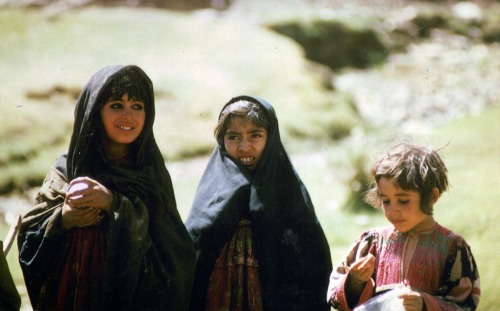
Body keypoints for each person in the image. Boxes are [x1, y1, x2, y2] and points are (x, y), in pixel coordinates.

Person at [17, 65, 195, 311]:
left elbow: (174, 249)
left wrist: (114, 204)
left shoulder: (150, 172)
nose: (128, 116)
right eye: (116, 105)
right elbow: (30, 235)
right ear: (94, 111)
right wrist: (64, 219)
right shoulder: (66, 170)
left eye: (137, 106)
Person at [185, 95, 332, 310]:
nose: (244, 146)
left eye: (255, 135)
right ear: (222, 141)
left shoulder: (289, 193)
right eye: (233, 137)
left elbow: (312, 262)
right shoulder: (211, 192)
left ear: (271, 138)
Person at [327, 142, 480, 311]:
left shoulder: (452, 248)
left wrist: (424, 304)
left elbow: (465, 305)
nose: (393, 211)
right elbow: (335, 296)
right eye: (386, 201)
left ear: (431, 196)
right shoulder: (371, 243)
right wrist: (355, 281)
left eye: (403, 200)